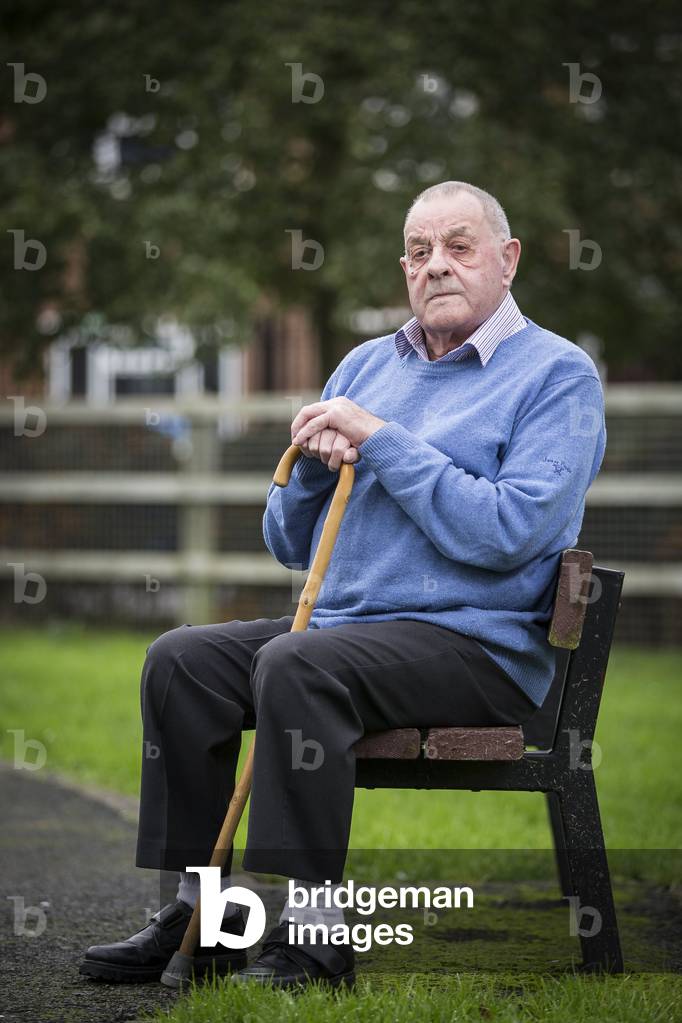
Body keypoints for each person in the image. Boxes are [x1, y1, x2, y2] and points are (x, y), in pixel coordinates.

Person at [80, 180, 606, 990]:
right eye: (420, 250)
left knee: (298, 664)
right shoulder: (367, 364)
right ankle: (208, 919)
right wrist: (308, 476)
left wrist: (383, 442)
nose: (437, 265)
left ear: (508, 261)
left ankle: (318, 938)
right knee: (181, 658)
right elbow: (288, 543)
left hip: (478, 647)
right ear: (404, 267)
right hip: (348, 634)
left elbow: (510, 534)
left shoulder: (557, 375)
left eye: (459, 246)